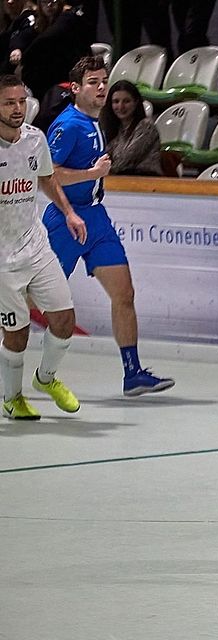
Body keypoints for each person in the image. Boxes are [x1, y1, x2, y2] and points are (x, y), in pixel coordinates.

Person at [43, 56, 174, 397]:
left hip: (96, 218)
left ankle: (133, 373)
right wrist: (89, 178)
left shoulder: (96, 121)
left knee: (124, 294)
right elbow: (48, 173)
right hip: (65, 218)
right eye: (93, 83)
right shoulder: (68, 125)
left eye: (104, 81)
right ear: (76, 88)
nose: (101, 88)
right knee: (31, 298)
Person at [0, 74, 86, 419]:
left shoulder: (36, 139)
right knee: (16, 335)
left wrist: (68, 213)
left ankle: (46, 378)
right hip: (3, 259)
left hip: (35, 246)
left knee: (64, 320)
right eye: (9, 103)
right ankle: (12, 397)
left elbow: (46, 178)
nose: (18, 109)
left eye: (21, 101)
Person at [100, 80, 162, 176]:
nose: (120, 106)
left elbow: (126, 160)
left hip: (145, 182)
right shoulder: (117, 130)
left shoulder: (146, 127)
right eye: (116, 101)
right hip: (119, 181)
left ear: (136, 102)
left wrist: (97, 171)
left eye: (126, 101)